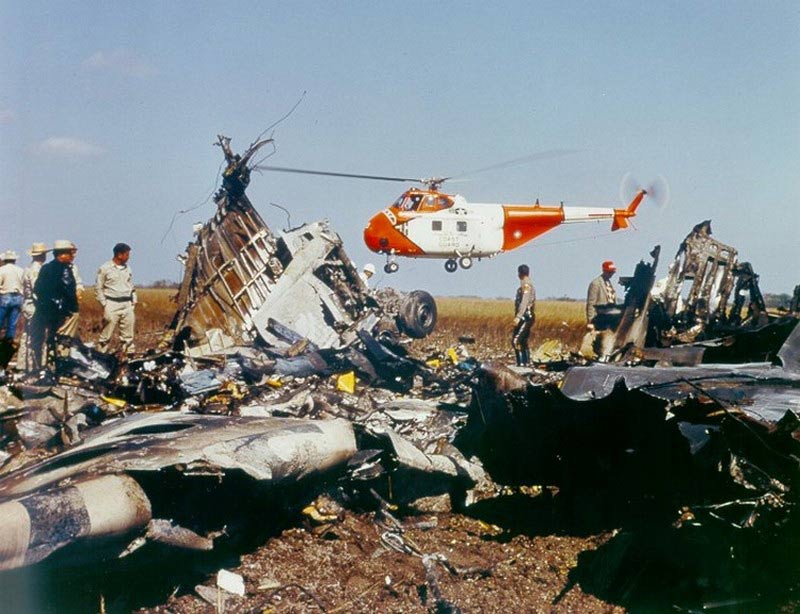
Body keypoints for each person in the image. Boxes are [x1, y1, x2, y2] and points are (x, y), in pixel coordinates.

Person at [30, 240, 80, 370]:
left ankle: (49, 365)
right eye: (70, 253)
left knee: (50, 338)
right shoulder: (65, 269)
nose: (71, 256)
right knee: (64, 339)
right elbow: (69, 290)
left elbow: (37, 289)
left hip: (45, 311)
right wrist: (74, 309)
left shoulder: (45, 268)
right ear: (62, 254)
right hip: (62, 312)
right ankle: (61, 366)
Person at [95, 243, 137, 354]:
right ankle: (100, 355)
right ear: (119, 255)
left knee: (128, 335)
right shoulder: (105, 268)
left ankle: (128, 356)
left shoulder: (128, 269)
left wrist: (133, 300)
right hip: (112, 303)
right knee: (106, 335)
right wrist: (104, 304)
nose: (128, 257)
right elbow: (99, 287)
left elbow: (131, 285)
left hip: (127, 304)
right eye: (127, 255)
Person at [18, 243, 48, 371]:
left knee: (27, 335)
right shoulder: (37, 270)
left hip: (27, 304)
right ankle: (34, 367)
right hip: (34, 306)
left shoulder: (27, 268)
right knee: (36, 337)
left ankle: (23, 365)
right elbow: (38, 291)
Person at [0, 250, 25, 368]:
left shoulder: (2, 270)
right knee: (12, 325)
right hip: (18, 297)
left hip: (5, 296)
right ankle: (8, 343)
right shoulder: (21, 271)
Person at [511, 264, 535, 366]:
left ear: (519, 273)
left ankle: (521, 364)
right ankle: (526, 362)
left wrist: (518, 317)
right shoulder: (525, 284)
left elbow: (524, 302)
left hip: (525, 316)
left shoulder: (526, 285)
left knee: (516, 340)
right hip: (526, 316)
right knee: (523, 341)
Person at [586, 260, 618, 324]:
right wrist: (590, 321)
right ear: (604, 271)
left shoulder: (609, 283)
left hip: (611, 317)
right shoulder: (595, 283)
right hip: (600, 318)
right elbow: (591, 304)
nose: (611, 274)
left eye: (612, 272)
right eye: (609, 272)